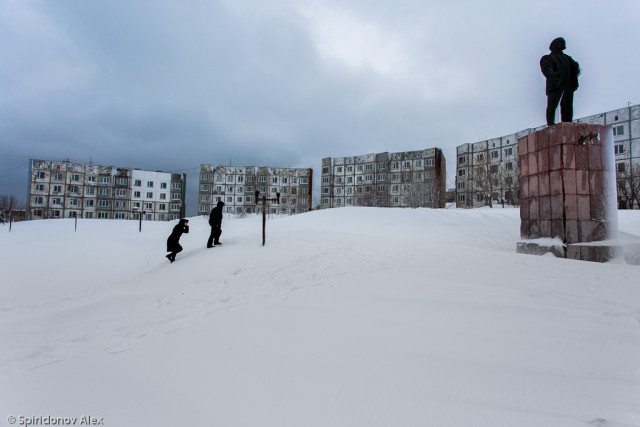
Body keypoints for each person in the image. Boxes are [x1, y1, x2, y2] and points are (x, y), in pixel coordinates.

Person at [540, 37, 580, 126]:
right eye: (562, 43)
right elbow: (547, 70)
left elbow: (576, 68)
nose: (564, 44)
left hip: (568, 85)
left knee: (567, 105)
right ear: (556, 45)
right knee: (552, 105)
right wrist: (555, 78)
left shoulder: (568, 58)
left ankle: (567, 124)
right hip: (556, 85)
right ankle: (550, 124)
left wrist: (576, 67)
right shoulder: (547, 58)